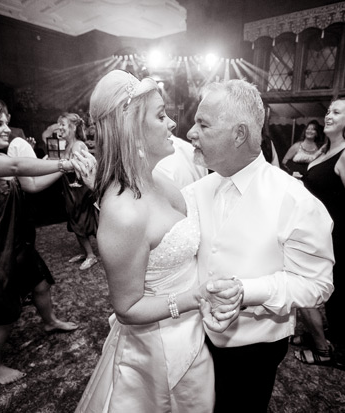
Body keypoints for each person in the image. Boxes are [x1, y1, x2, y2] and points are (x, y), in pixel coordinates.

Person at [75, 70, 242, 413]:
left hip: (194, 332)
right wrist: (193, 297)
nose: (171, 124)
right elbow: (126, 308)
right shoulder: (124, 212)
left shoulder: (161, 180)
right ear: (132, 129)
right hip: (158, 348)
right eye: (161, 115)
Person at [186, 79, 335, 413]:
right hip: (194, 339)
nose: (190, 133)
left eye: (203, 124)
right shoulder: (195, 191)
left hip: (252, 350)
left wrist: (247, 290)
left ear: (239, 134)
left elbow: (317, 284)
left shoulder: (295, 201)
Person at [0, 98, 79, 385]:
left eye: (6, 122)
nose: (7, 129)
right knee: (4, 313)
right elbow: (20, 167)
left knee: (41, 284)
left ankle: (49, 322)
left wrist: (63, 170)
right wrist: (68, 161)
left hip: (14, 239)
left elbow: (30, 185)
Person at [294, 98, 345, 367]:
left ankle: (330, 351)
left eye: (336, 112)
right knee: (311, 293)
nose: (328, 115)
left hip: (335, 240)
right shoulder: (327, 150)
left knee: (321, 297)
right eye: (328, 110)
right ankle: (319, 338)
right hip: (315, 235)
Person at [56, 112, 99, 270]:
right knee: (75, 221)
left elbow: (87, 168)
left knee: (81, 222)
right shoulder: (68, 145)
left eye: (63, 124)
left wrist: (77, 179)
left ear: (73, 128)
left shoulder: (78, 145)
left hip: (79, 192)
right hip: (71, 192)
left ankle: (91, 255)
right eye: (59, 124)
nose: (59, 127)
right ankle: (84, 252)